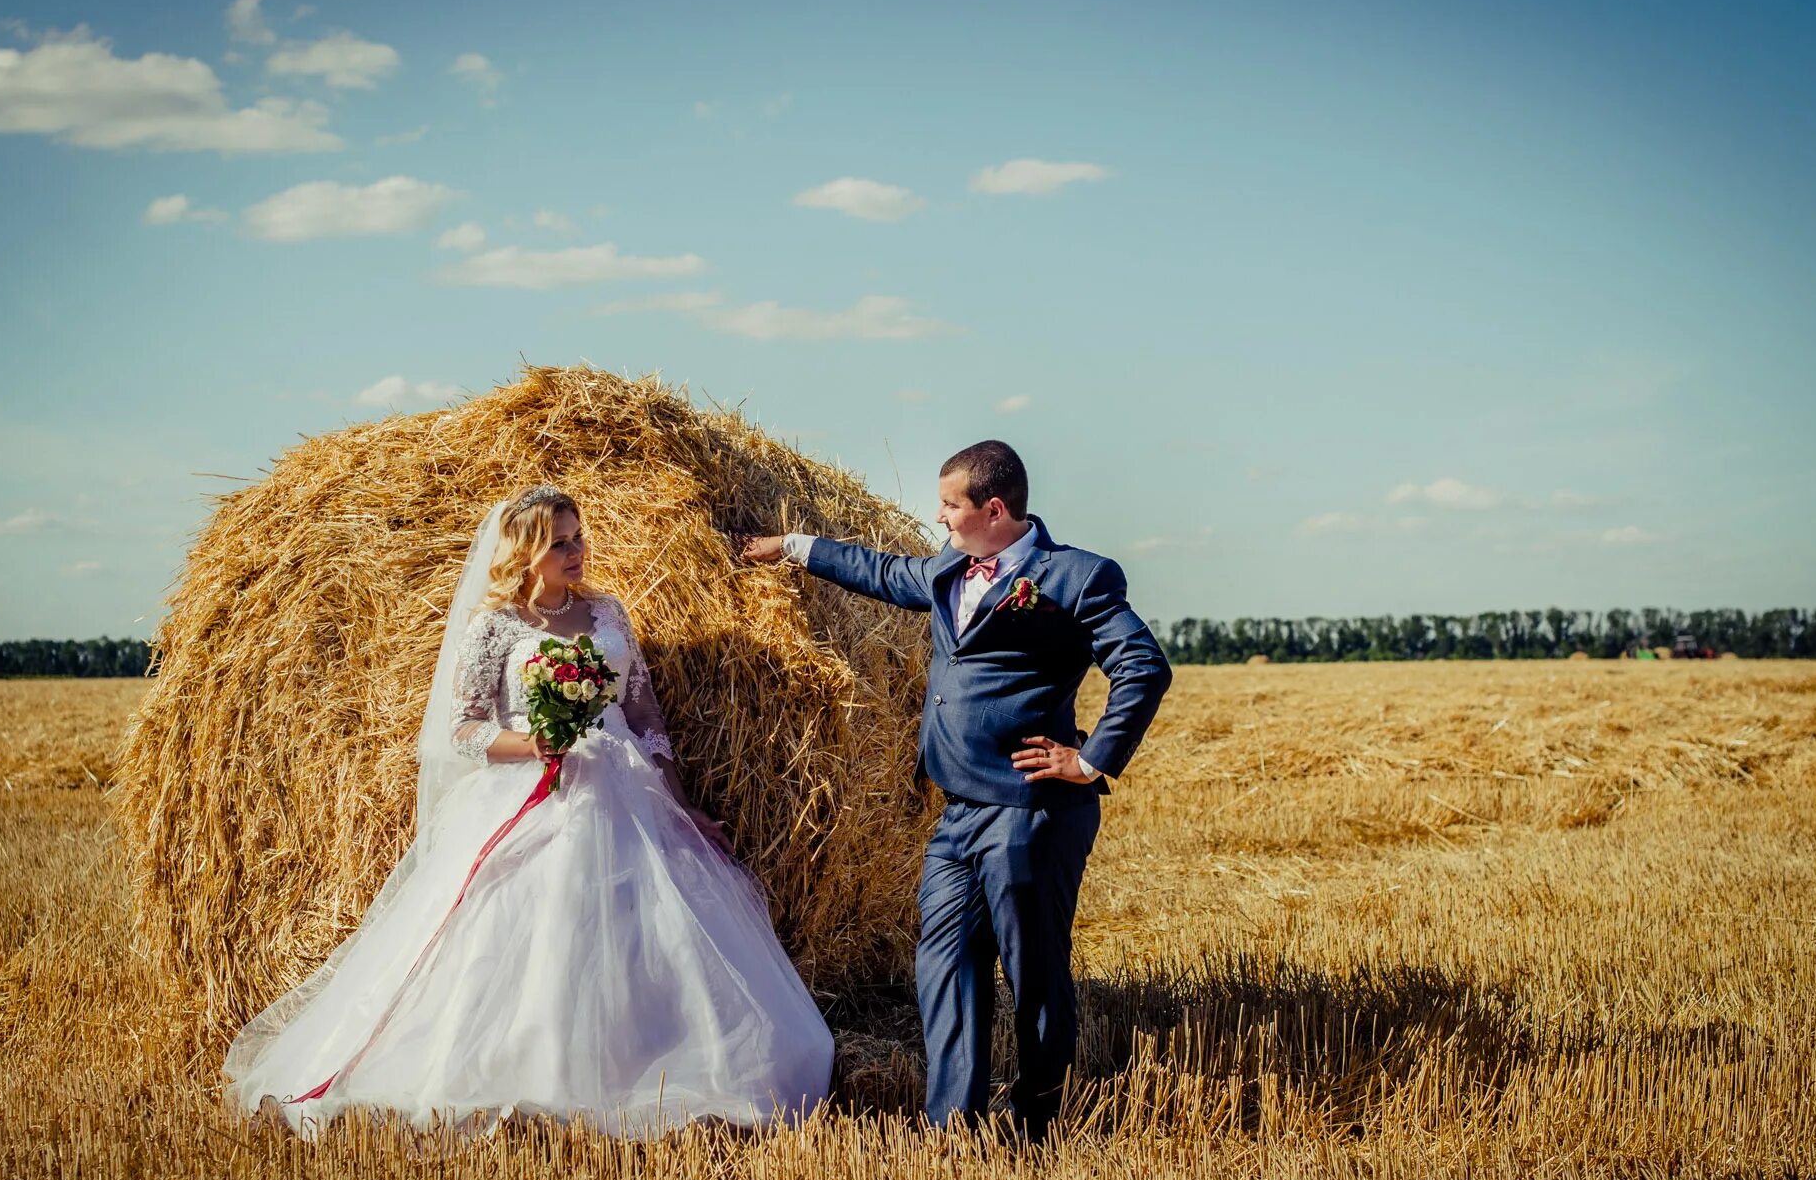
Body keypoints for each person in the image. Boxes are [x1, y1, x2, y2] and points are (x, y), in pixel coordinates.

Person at [223, 485, 833, 1142]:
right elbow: (460, 730)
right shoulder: (497, 626)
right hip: (533, 786)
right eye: (560, 542)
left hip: (624, 785)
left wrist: (683, 807)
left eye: (579, 536)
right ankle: (532, 1073)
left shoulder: (607, 611)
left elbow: (644, 717)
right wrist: (530, 743)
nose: (578, 551)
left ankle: (644, 1065)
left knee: (651, 931)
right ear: (526, 552)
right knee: (535, 925)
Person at [741, 440, 1171, 1143]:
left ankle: (1037, 1125)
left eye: (949, 505)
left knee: (1032, 974)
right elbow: (882, 571)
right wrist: (791, 545)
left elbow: (1144, 667)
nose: (937, 516)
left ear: (993, 509)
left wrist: (1091, 760)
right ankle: (953, 1127)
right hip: (956, 814)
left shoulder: (1075, 577)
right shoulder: (949, 568)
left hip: (1026, 810)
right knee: (943, 968)